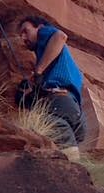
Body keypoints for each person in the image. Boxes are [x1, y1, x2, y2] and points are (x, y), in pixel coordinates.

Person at [16, 16, 86, 148]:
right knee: (67, 152)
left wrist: (39, 71)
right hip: (75, 110)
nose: (23, 38)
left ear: (39, 27)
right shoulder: (54, 59)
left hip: (59, 104)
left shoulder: (44, 32)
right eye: (21, 35)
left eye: (26, 31)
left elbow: (60, 36)